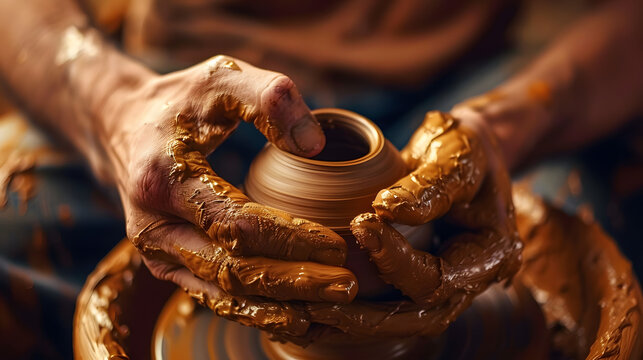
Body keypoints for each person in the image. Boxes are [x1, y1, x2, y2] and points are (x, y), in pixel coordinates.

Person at [0, 0, 641, 358]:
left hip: (462, 88)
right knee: (15, 226)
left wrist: (511, 124)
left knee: (569, 230)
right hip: (185, 90)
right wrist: (113, 105)